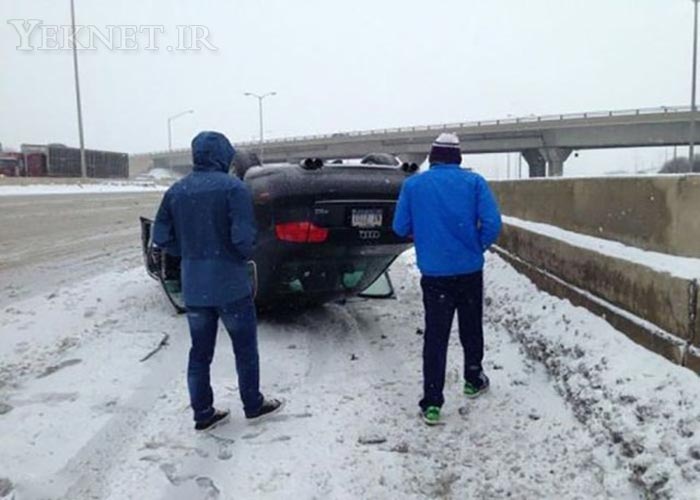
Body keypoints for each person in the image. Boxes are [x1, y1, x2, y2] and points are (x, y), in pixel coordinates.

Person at [153, 131, 282, 431]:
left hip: (194, 286)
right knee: (245, 348)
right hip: (230, 283)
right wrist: (237, 252)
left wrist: (187, 251)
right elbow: (243, 238)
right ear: (224, 155)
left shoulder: (176, 191)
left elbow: (161, 237)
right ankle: (252, 404)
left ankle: (203, 414)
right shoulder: (233, 188)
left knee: (199, 352)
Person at [392, 132, 502, 426]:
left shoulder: (413, 185)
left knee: (436, 337)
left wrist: (427, 233)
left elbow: (399, 226)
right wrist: (476, 245)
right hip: (468, 271)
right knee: (471, 327)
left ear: (432, 157)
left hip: (435, 274)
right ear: (458, 158)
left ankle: (432, 402)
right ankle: (473, 378)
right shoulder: (474, 182)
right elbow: (493, 222)